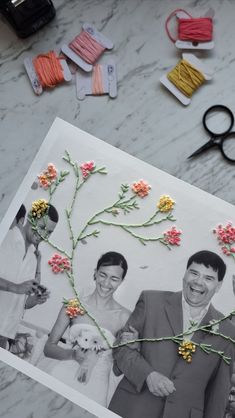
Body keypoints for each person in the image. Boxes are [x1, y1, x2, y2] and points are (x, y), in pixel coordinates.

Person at [109, 250, 235, 418]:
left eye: (208, 278)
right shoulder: (150, 301)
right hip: (132, 408)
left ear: (218, 286)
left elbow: (218, 393)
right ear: (185, 274)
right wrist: (148, 375)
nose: (198, 282)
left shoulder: (227, 331)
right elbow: (121, 348)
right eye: (194, 273)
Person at [43, 251, 131, 406]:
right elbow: (48, 348)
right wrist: (72, 354)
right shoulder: (73, 305)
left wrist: (131, 345)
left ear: (121, 281)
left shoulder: (125, 317)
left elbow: (119, 368)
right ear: (95, 273)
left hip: (95, 388)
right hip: (62, 376)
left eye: (114, 279)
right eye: (103, 275)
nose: (106, 283)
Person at [0, 203, 59, 349]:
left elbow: (22, 304)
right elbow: (17, 289)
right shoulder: (5, 237)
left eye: (49, 232)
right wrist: (16, 287)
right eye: (41, 227)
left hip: (5, 335)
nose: (44, 235)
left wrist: (35, 300)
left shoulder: (33, 257)